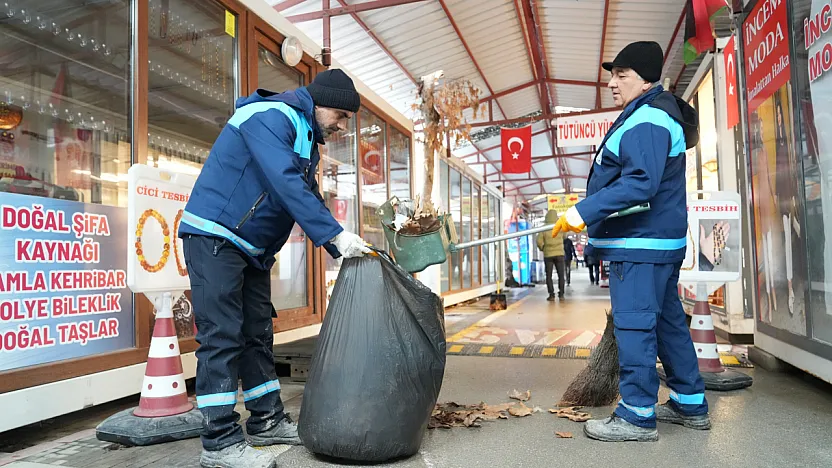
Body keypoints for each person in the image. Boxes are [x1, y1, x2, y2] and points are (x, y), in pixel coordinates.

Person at [179, 69, 371, 468]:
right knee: (222, 336)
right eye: (340, 115)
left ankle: (266, 421)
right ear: (320, 104)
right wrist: (333, 236)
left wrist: (342, 243)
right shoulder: (269, 116)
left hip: (250, 247)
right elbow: (285, 183)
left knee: (256, 333)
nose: (341, 126)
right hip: (215, 235)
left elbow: (308, 195)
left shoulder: (305, 135)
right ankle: (219, 442)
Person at [551, 41, 709, 442]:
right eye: (612, 74)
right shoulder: (649, 113)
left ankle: (637, 414)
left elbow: (641, 183)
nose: (612, 83)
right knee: (669, 323)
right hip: (655, 243)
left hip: (641, 245)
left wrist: (582, 212)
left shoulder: (648, 120)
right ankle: (690, 402)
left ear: (646, 80)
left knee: (635, 325)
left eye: (622, 75)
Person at [536, 209, 566, 301]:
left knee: (548, 275)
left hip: (548, 254)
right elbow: (564, 237)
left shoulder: (543, 228)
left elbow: (539, 241)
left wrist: (543, 248)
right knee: (561, 275)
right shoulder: (560, 226)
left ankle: (551, 295)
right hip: (560, 254)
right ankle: (561, 294)